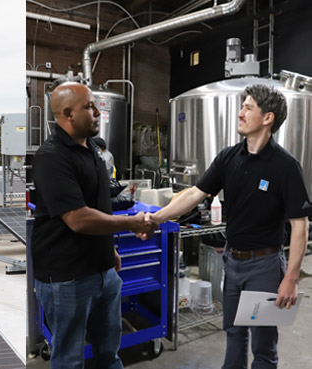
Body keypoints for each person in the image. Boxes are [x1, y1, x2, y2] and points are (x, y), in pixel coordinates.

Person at [142, 84, 309, 368]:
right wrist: (157, 217)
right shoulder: (228, 156)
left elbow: (299, 225)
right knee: (233, 333)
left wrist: (290, 278)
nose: (240, 113)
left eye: (248, 107)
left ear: (267, 118)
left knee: (263, 345)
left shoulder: (285, 166)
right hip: (232, 261)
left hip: (265, 266)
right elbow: (196, 194)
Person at [32, 82, 156, 369]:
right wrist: (131, 222)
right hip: (67, 277)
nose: (97, 111)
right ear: (67, 114)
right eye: (88, 106)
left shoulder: (91, 151)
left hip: (103, 271)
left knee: (108, 352)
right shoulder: (52, 157)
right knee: (70, 359)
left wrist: (109, 250)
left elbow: (99, 205)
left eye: (96, 104)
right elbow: (77, 218)